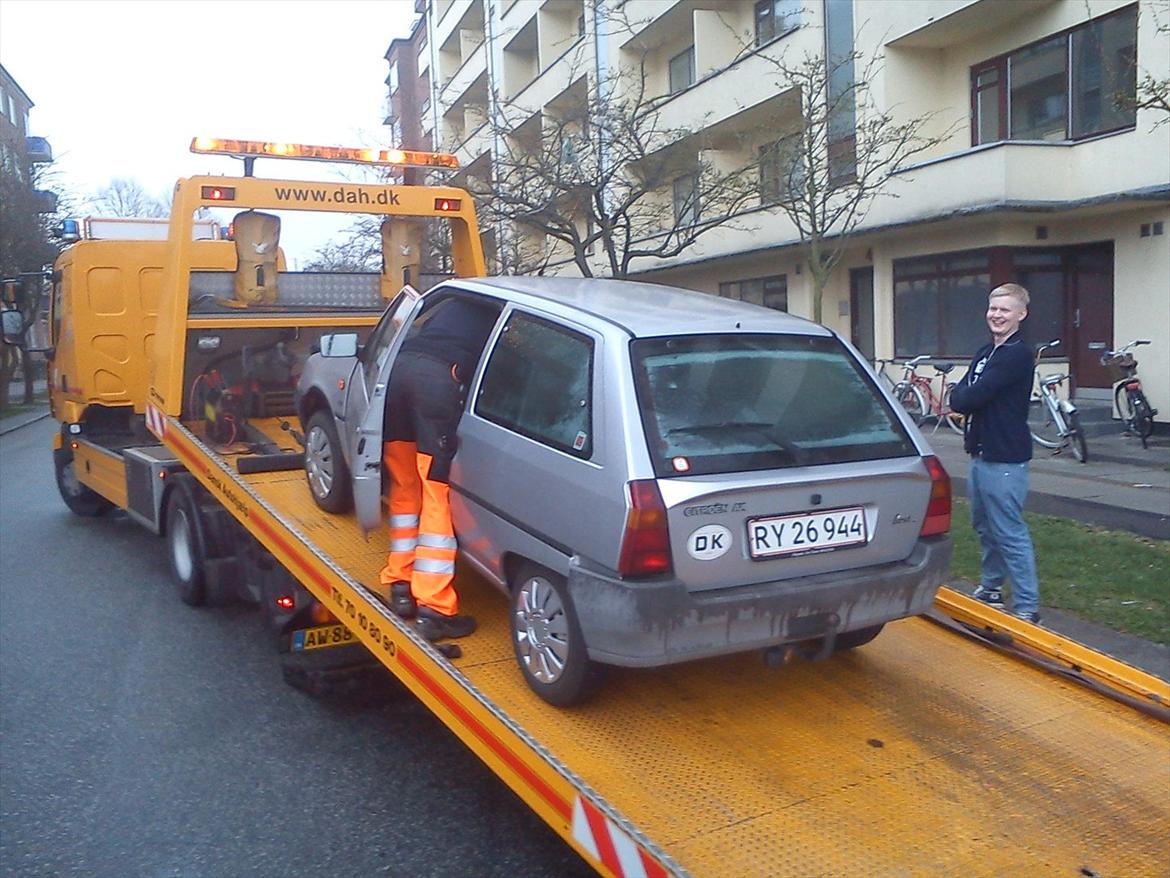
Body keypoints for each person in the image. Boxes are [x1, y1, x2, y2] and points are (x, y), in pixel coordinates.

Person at [376, 296, 499, 641]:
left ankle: (401, 584)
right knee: (436, 491)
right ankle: (434, 608)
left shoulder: (453, 304)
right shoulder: (497, 313)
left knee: (404, 483)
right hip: (435, 381)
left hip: (396, 372)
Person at [948, 283, 1041, 624]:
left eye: (1005, 310)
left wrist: (962, 397)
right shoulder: (985, 352)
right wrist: (963, 395)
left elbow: (967, 398)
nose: (997, 315)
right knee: (985, 527)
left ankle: (1028, 607)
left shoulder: (1017, 354)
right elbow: (964, 391)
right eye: (993, 309)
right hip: (980, 455)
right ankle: (990, 589)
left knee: (1009, 532)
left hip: (1005, 460)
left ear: (1021, 314)